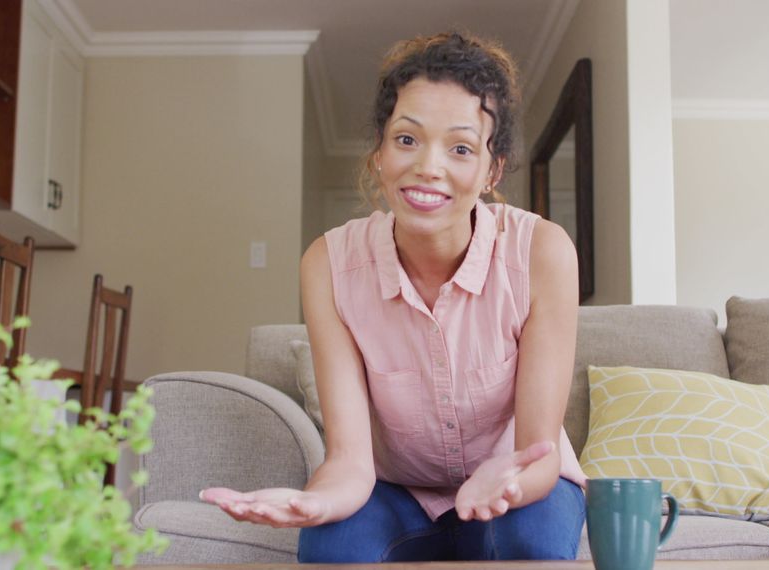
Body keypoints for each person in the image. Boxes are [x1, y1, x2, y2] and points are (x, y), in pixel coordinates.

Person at [200, 31, 586, 562]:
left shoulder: (542, 252)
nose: (429, 166)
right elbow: (351, 459)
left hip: (515, 488)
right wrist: (314, 503)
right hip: (395, 493)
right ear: (379, 153)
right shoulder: (328, 266)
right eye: (407, 139)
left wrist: (511, 484)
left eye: (460, 148)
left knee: (529, 542)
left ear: (491, 171)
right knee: (329, 546)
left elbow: (536, 455)